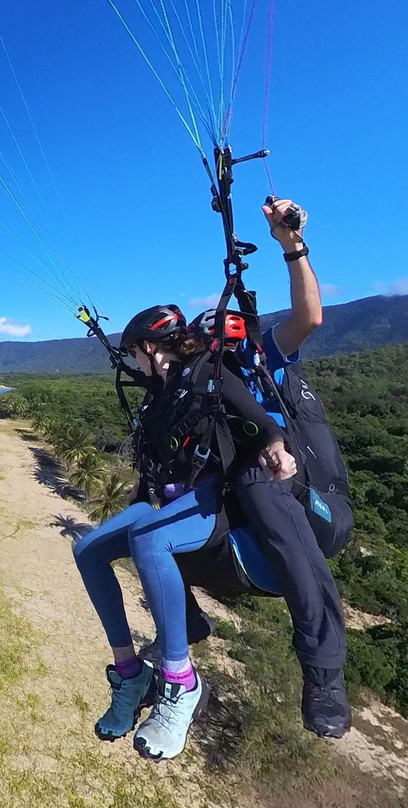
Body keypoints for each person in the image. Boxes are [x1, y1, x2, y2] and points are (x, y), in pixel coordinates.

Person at [72, 303, 296, 760]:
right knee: (87, 550)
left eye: (135, 352)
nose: (134, 362)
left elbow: (261, 422)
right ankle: (130, 672)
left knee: (150, 540)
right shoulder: (161, 394)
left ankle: (180, 680)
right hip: (168, 502)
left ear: (150, 347)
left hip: (208, 500)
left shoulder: (207, 376)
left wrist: (276, 449)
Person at [186, 197, 351, 739]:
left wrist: (291, 245)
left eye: (228, 341)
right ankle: (181, 644)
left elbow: (310, 318)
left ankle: (323, 670)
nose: (222, 349)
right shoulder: (203, 385)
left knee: (259, 474)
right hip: (243, 493)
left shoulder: (264, 359)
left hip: (296, 484)